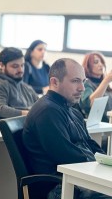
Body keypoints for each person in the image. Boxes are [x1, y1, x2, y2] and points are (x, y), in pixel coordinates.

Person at [23, 58, 109, 199]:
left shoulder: (72, 110)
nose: (81, 87)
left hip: (77, 179)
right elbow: (67, 156)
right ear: (54, 82)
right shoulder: (47, 111)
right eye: (75, 81)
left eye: (83, 81)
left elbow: (90, 144)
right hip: (59, 186)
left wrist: (105, 163)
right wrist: (99, 171)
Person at [0, 47, 38, 118]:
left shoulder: (25, 87)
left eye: (22, 65)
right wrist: (30, 114)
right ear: (2, 65)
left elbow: (39, 105)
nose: (21, 70)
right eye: (15, 66)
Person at [79, 52, 112, 121]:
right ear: (88, 66)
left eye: (102, 62)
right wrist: (106, 80)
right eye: (96, 62)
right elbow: (90, 103)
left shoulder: (106, 85)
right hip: (95, 127)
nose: (101, 65)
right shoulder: (86, 83)